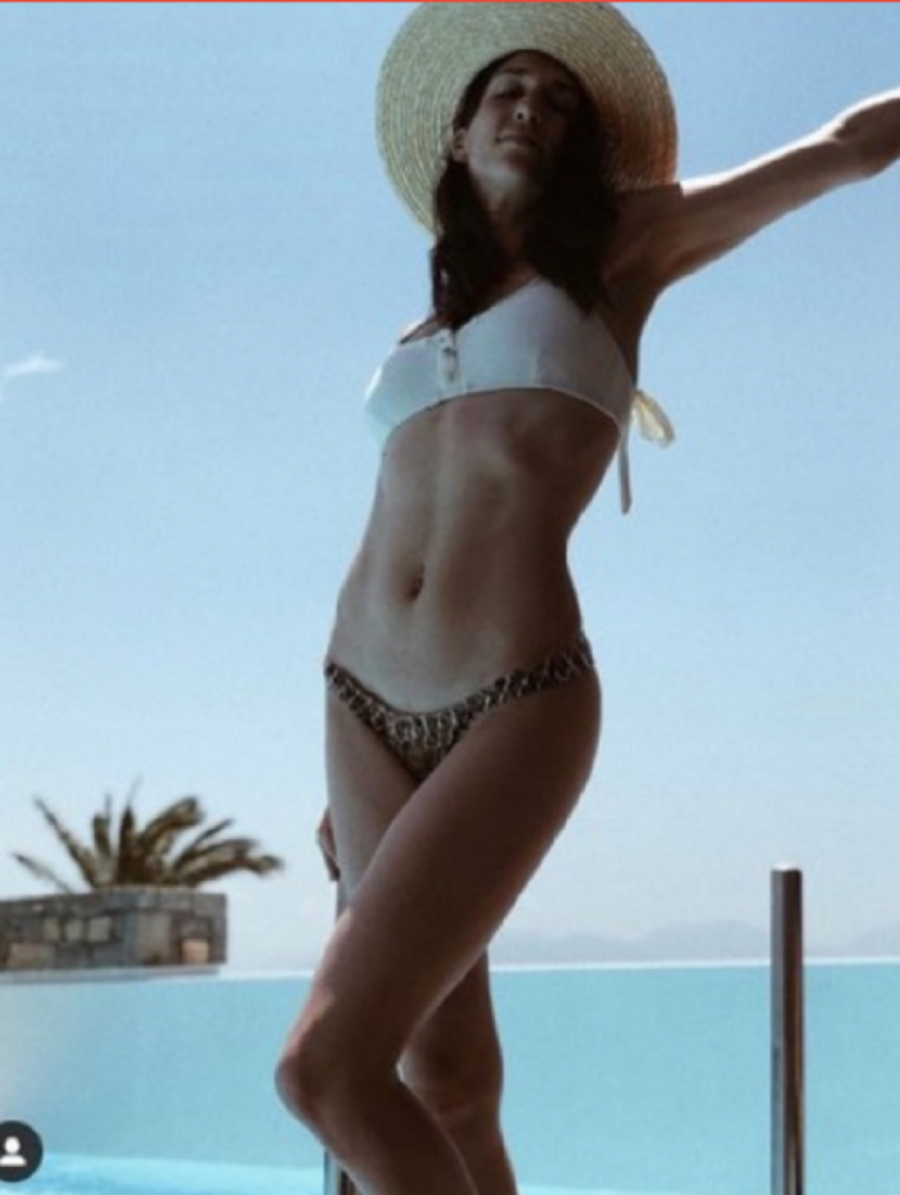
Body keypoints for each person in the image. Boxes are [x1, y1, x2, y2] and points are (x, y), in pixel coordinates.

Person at [275, 5, 899, 1194]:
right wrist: (344, 792)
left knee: (323, 1071)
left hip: (516, 697)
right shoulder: (424, 325)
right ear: (458, 132)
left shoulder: (625, 251)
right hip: (357, 704)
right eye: (509, 89)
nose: (532, 108)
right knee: (447, 1079)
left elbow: (847, 146)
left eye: (560, 102)